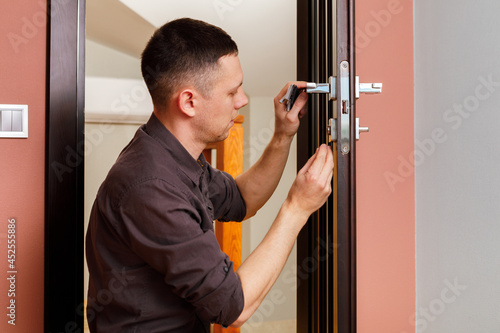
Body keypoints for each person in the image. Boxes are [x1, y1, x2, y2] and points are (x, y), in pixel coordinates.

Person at [86, 17, 333, 333]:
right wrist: (297, 208)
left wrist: (282, 135)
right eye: (232, 92)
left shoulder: (171, 155)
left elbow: (243, 199)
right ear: (189, 101)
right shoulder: (151, 188)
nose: (242, 100)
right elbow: (233, 305)